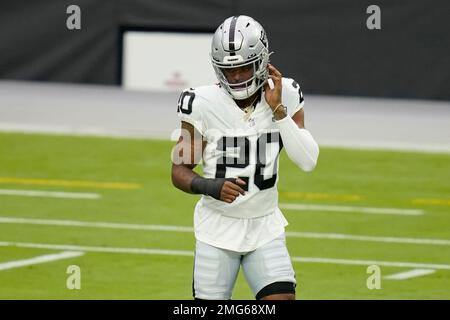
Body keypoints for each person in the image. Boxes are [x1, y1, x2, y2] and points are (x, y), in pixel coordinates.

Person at [171, 15, 319, 300]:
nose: (236, 77)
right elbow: (178, 171)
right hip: (216, 228)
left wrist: (279, 112)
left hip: (265, 225)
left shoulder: (285, 93)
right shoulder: (200, 103)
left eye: (243, 67)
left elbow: (307, 160)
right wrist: (211, 186)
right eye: (229, 70)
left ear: (262, 60)